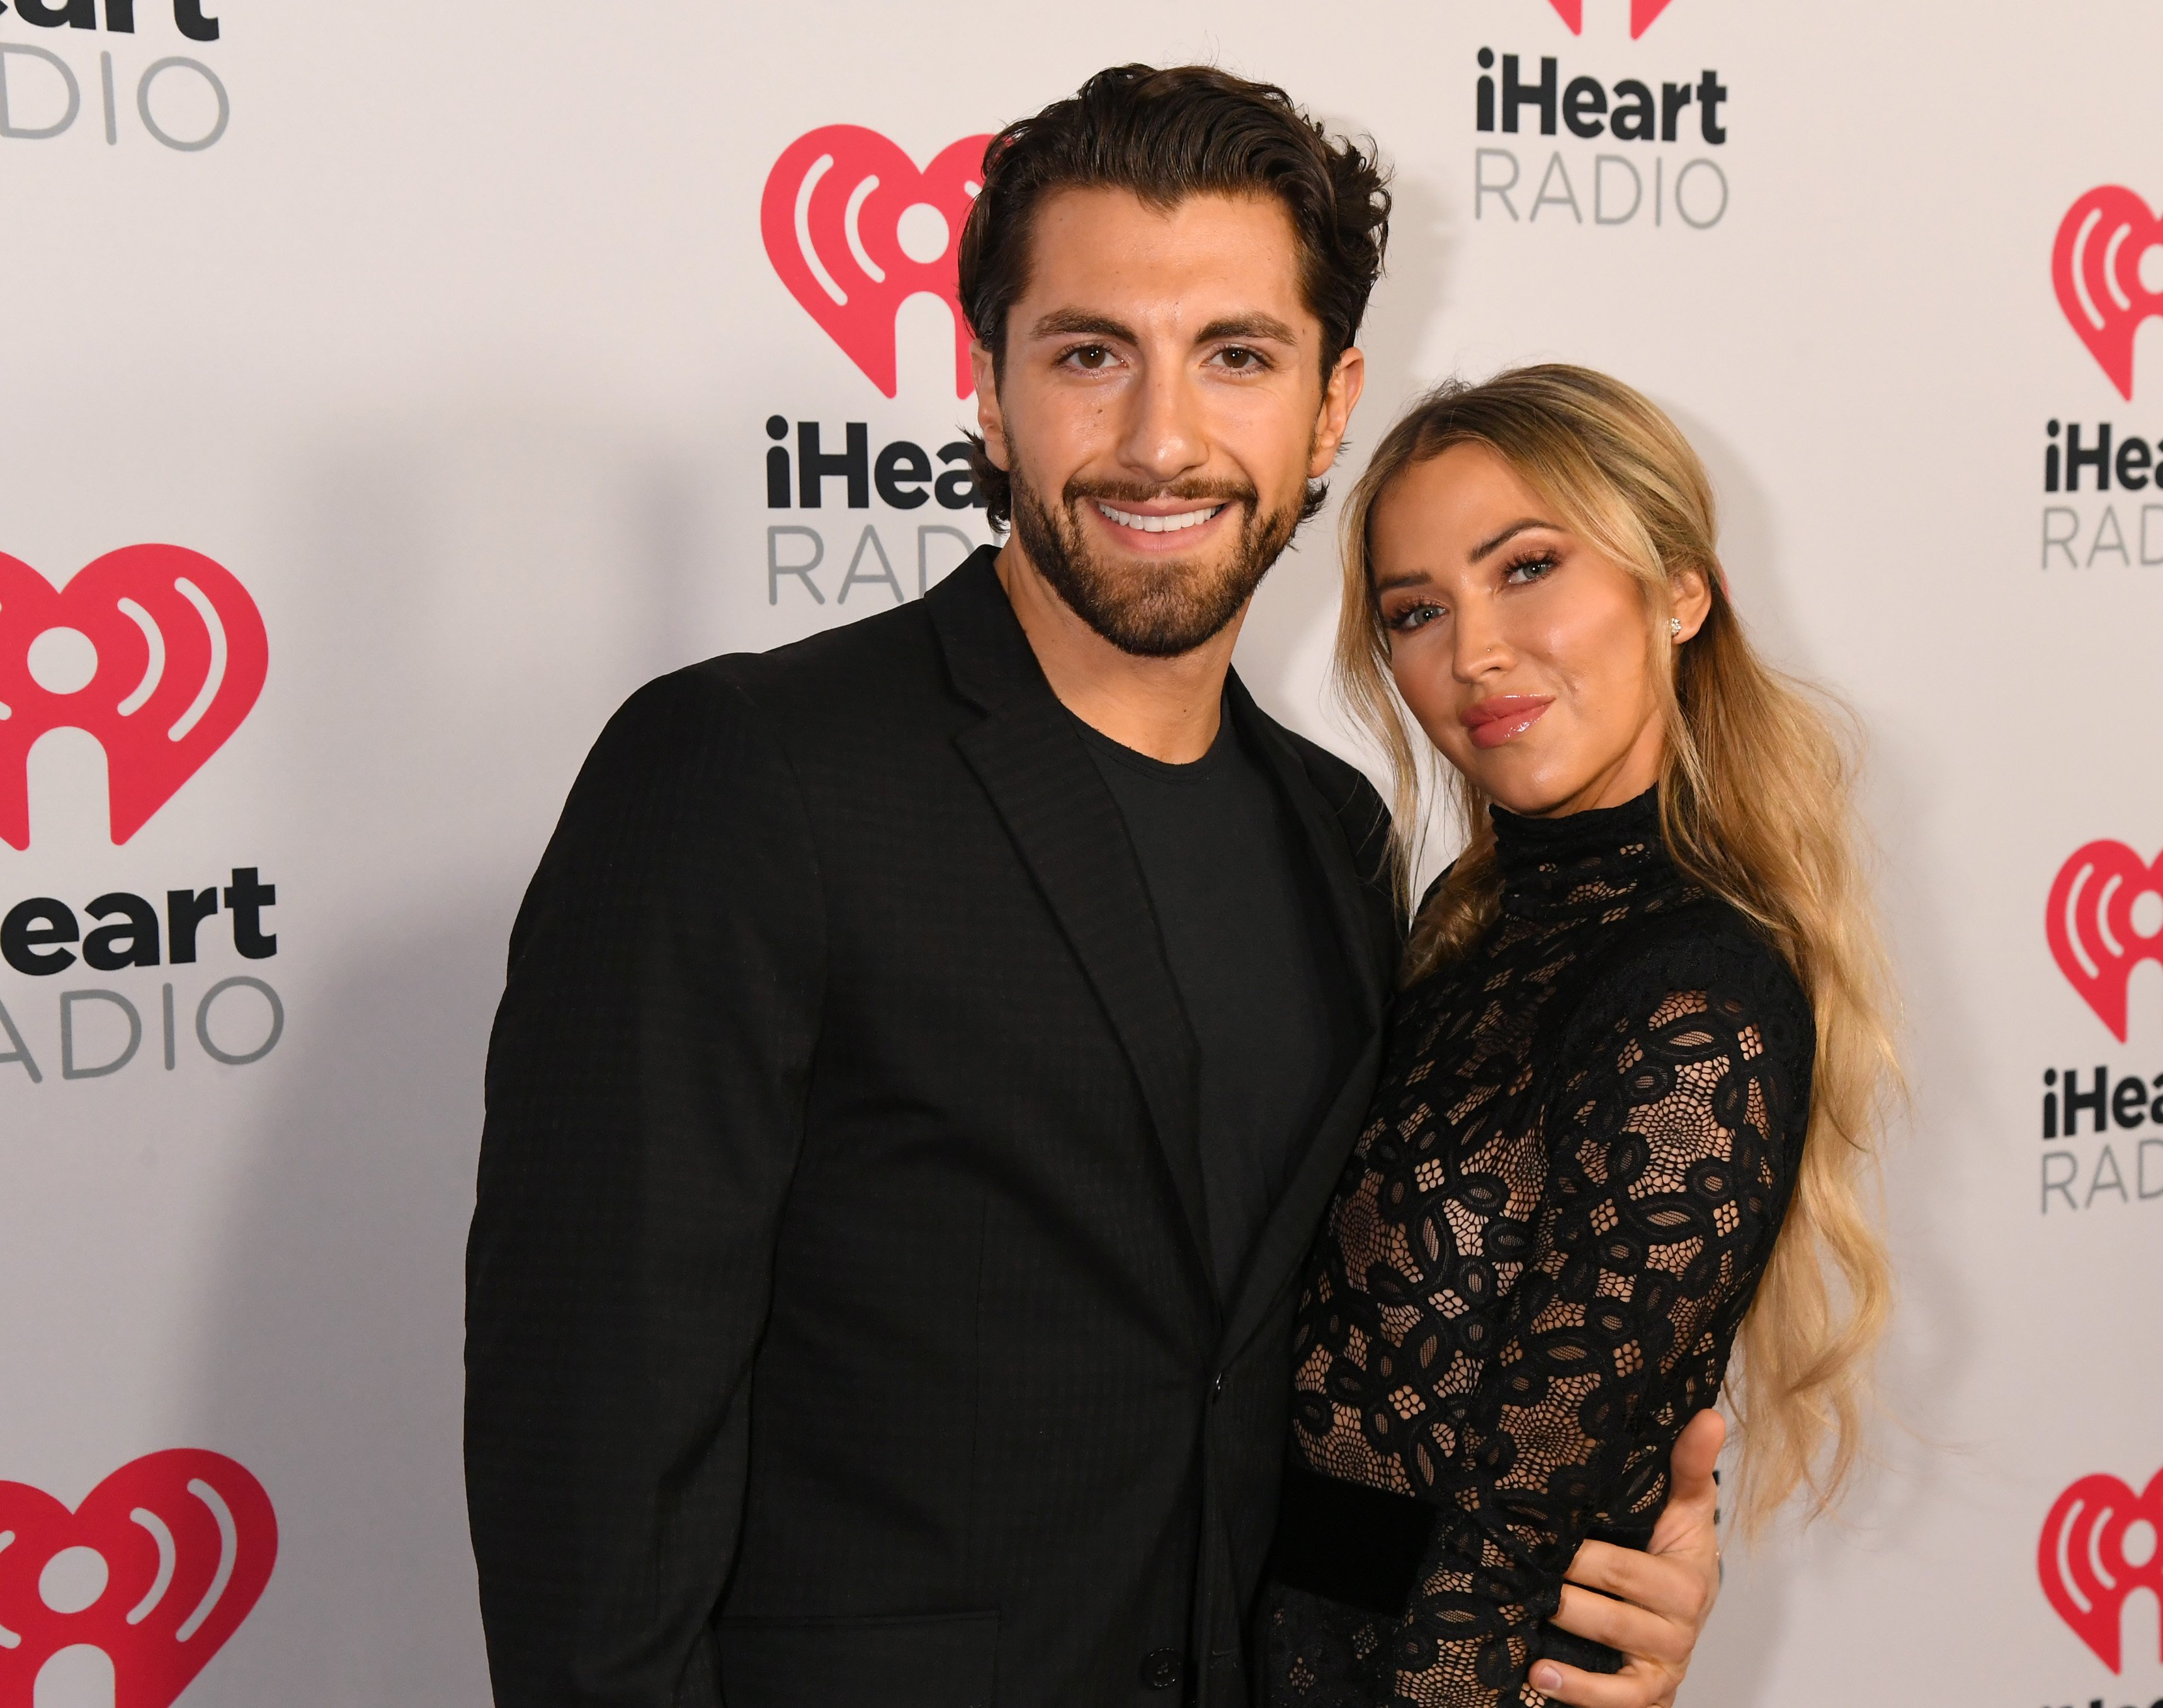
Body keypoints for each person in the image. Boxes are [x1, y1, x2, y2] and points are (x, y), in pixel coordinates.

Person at [465, 69, 1720, 1708]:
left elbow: (1291, 1402)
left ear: (1332, 405)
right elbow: (594, 1457)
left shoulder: (1335, 832)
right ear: (987, 387)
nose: (1162, 440)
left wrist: (1594, 1583)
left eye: (1237, 357)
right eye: (1089, 353)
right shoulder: (749, 772)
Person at [1255, 366, 1900, 1707]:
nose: (1472, 653)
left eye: (1527, 567)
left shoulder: (1692, 996)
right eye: (1415, 612)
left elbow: (1504, 1552)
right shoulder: (1457, 927)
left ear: (1677, 590)